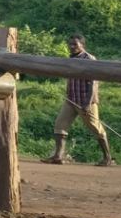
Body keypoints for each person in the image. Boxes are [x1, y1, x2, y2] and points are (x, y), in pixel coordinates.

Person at [42, 34, 115, 166]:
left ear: (82, 45)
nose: (72, 47)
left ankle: (108, 158)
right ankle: (58, 156)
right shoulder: (71, 59)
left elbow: (93, 83)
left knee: (95, 127)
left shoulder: (89, 59)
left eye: (75, 44)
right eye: (70, 44)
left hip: (85, 100)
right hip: (71, 99)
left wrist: (87, 103)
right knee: (60, 125)